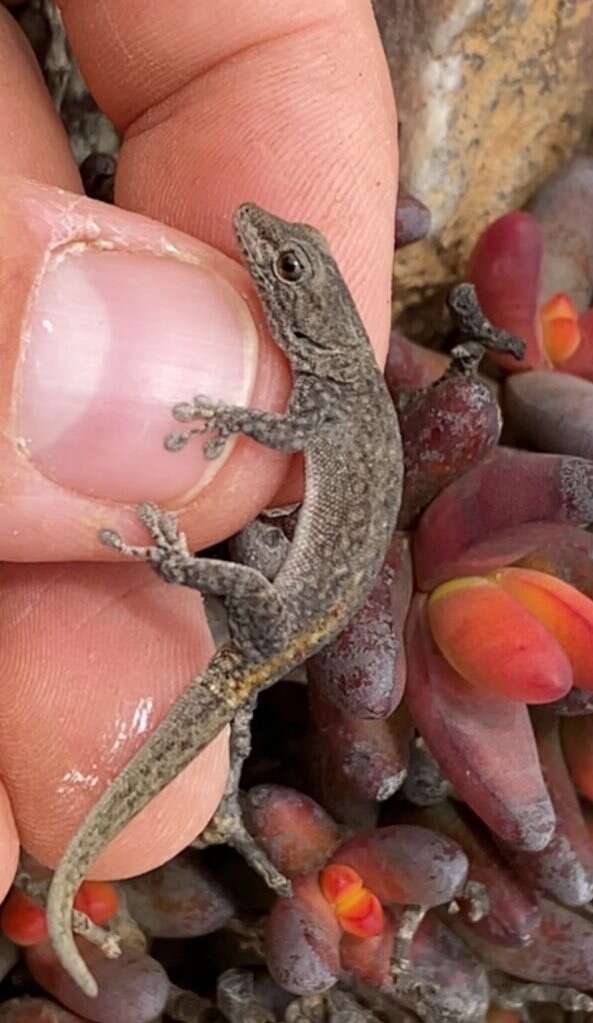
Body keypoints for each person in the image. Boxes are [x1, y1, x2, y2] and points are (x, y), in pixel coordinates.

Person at [0, 0, 397, 894]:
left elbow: (290, 432)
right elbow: (298, 432)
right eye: (291, 260)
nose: (262, 245)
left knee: (237, 581)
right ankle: (65, 891)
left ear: (306, 313)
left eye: (285, 268)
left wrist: (186, 540)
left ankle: (176, 563)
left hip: (276, 616)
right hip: (287, 607)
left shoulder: (334, 380)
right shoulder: (335, 372)